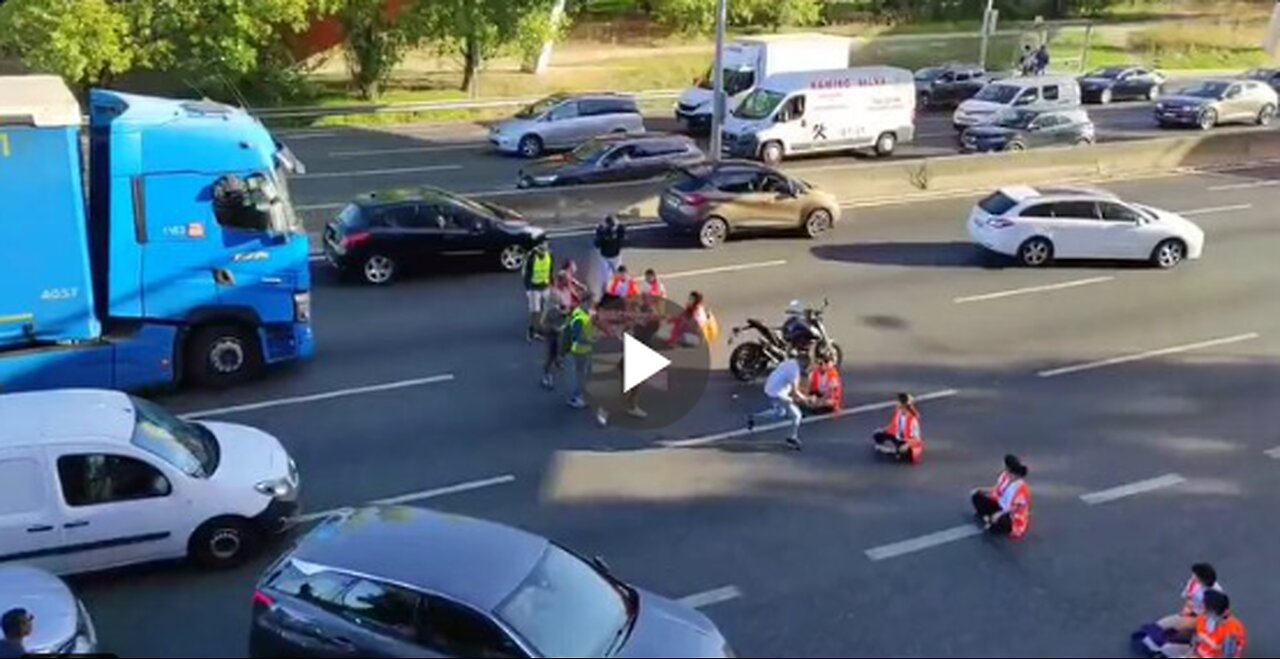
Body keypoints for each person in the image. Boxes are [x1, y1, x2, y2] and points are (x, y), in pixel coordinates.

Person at [1158, 590, 1247, 658]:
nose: (1203, 610)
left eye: (1206, 608)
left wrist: (1213, 645)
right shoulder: (1203, 618)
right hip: (1199, 652)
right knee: (1166, 649)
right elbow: (1198, 637)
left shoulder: (1232, 629)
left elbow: (1229, 655)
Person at [746, 353, 805, 450]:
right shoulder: (795, 371)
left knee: (780, 413)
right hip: (777, 393)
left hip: (771, 388)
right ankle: (792, 437)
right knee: (797, 415)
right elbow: (795, 392)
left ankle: (753, 417)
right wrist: (807, 399)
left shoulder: (790, 362)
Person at [1158, 564, 1227, 639]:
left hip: (1206, 617)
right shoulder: (1193, 582)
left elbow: (1216, 612)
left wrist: (1197, 620)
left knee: (1183, 628)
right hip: (1193, 611)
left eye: (1195, 576)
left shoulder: (1216, 592)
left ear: (1202, 579)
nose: (1193, 577)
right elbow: (1189, 596)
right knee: (1179, 630)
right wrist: (1187, 608)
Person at [970, 454, 1031, 538]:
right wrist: (981, 490)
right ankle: (990, 518)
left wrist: (1000, 514)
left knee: (1000, 521)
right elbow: (996, 489)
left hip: (1010, 514)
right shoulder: (1005, 476)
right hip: (999, 504)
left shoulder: (1022, 489)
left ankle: (993, 521)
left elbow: (1016, 508)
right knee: (976, 497)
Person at [873, 393, 924, 463]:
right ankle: (893, 450)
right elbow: (893, 425)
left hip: (905, 441)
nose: (896, 404)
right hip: (896, 436)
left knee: (903, 452)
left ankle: (895, 451)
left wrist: (906, 445)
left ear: (903, 405)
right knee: (877, 435)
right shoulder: (898, 413)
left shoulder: (913, 420)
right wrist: (885, 430)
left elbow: (917, 439)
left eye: (898, 402)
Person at [566, 297, 596, 409]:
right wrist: (591, 341)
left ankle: (578, 394)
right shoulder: (579, 318)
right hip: (580, 350)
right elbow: (577, 337)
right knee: (580, 375)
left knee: (584, 373)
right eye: (589, 303)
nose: (590, 306)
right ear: (583, 303)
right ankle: (577, 397)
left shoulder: (586, 313)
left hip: (585, 349)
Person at [522, 240, 553, 341]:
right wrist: (527, 289)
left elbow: (550, 269)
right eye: (543, 243)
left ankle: (539, 328)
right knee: (535, 311)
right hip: (534, 287)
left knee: (545, 308)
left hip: (545, 285)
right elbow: (526, 273)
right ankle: (532, 330)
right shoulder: (531, 256)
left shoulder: (549, 254)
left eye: (546, 243)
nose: (546, 245)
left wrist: (551, 282)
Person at [594, 215, 626, 281]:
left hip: (615, 256)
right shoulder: (602, 232)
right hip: (605, 257)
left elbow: (623, 236)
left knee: (619, 274)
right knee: (605, 276)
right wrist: (599, 233)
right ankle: (607, 288)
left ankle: (619, 287)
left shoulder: (618, 230)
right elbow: (596, 244)